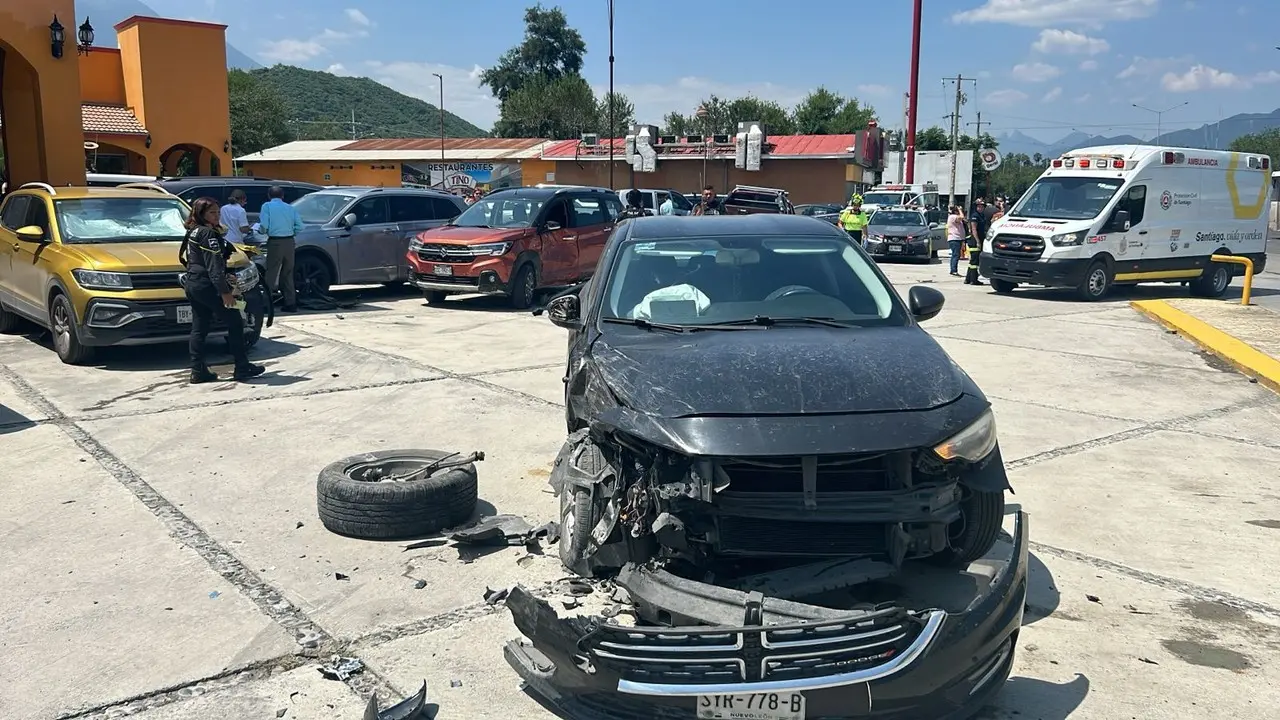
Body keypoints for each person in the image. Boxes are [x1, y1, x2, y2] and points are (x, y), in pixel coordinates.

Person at [179, 197, 265, 384]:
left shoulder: (194, 231)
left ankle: (198, 370)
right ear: (201, 214)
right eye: (212, 213)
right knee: (235, 323)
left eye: (218, 212)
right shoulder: (208, 235)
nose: (216, 216)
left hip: (193, 283)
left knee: (200, 326)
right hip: (207, 285)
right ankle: (242, 367)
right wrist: (225, 291)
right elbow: (214, 267)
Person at [257, 186, 304, 312]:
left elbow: (264, 225)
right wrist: (292, 233)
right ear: (282, 196)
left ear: (269, 195)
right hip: (289, 241)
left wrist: (261, 230)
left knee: (271, 273)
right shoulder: (290, 208)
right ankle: (290, 303)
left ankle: (266, 304)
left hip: (275, 242)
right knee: (288, 273)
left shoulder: (266, 206)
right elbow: (300, 226)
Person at [965, 198, 989, 286]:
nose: (981, 208)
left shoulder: (982, 215)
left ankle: (968, 279)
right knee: (975, 262)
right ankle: (973, 280)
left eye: (982, 207)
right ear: (976, 207)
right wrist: (978, 241)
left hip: (979, 239)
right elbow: (974, 229)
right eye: (979, 206)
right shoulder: (975, 216)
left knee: (973, 261)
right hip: (975, 241)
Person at [946, 205, 967, 277]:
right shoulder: (953, 217)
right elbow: (962, 217)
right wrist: (960, 210)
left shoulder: (956, 218)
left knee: (956, 254)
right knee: (955, 254)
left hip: (958, 238)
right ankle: (953, 270)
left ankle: (953, 269)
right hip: (954, 238)